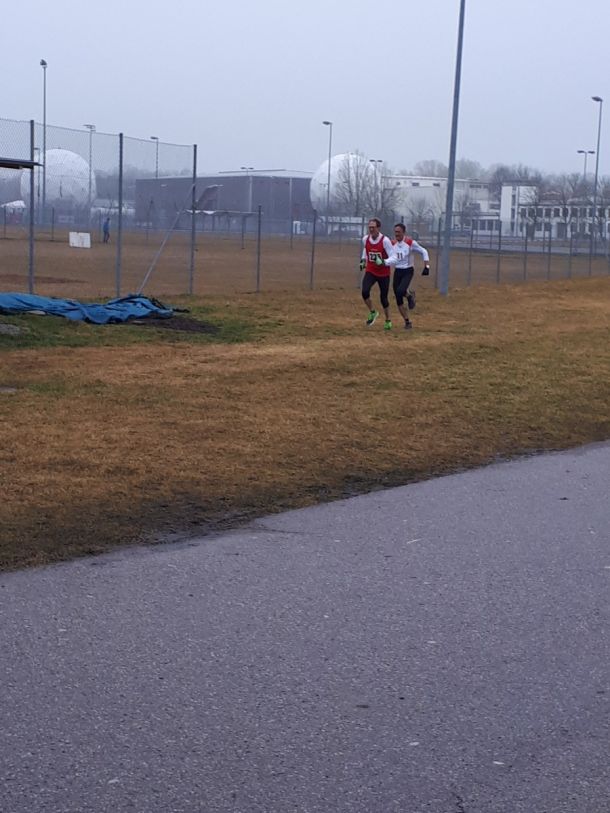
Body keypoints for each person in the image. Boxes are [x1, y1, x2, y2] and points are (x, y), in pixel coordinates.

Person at [382, 223, 430, 330]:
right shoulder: (392, 243)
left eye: (398, 232)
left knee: (400, 290)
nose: (396, 234)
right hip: (398, 271)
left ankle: (409, 296)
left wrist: (427, 266)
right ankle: (407, 321)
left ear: (404, 232)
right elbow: (386, 254)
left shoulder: (410, 243)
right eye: (395, 232)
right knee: (398, 298)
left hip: (408, 271)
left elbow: (424, 251)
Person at [360, 217, 394, 329]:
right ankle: (373, 312)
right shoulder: (365, 239)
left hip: (383, 273)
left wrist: (383, 262)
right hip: (371, 270)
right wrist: (363, 260)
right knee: (365, 291)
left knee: (383, 298)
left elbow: (394, 257)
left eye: (373, 228)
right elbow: (366, 249)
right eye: (369, 227)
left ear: (378, 228)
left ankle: (388, 320)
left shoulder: (385, 241)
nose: (371, 230)